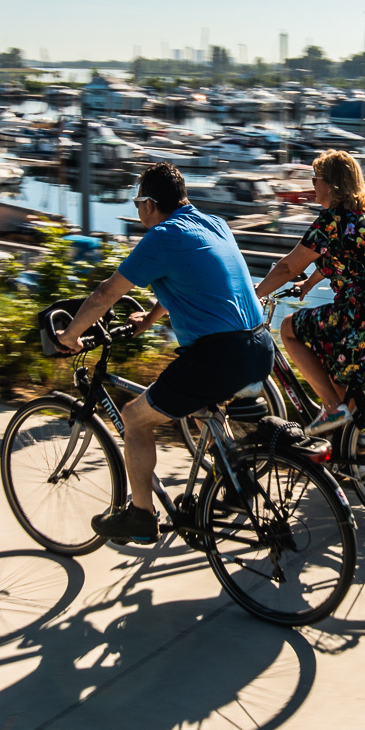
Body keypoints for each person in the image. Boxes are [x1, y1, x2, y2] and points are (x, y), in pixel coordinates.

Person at [57, 162, 270, 544]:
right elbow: (195, 279)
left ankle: (141, 515)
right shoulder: (214, 223)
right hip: (258, 346)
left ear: (151, 204)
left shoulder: (161, 236)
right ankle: (238, 485)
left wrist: (71, 334)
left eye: (139, 201)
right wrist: (152, 317)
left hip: (217, 356)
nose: (138, 209)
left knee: (134, 419)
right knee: (203, 407)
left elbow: (107, 293)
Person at [254, 150, 365, 437]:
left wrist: (253, 293)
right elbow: (349, 259)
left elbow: (288, 267)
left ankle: (331, 408)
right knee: (339, 365)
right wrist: (309, 283)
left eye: (315, 179)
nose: (312, 185)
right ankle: (351, 445)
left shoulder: (330, 222)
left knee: (289, 328)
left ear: (330, 185)